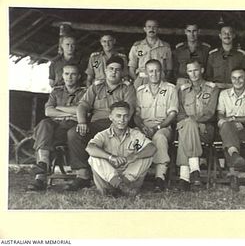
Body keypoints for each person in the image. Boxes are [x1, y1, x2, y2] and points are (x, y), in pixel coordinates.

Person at [65, 56, 136, 191]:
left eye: (117, 70)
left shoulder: (128, 88)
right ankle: (83, 176)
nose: (114, 72)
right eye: (111, 69)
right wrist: (82, 122)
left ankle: (113, 176)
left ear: (122, 72)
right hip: (96, 124)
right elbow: (82, 105)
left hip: (117, 125)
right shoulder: (96, 87)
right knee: (74, 133)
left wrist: (118, 124)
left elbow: (130, 110)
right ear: (105, 70)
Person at [27, 64, 87, 190]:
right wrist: (70, 113)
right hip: (57, 128)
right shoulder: (56, 91)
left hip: (74, 128)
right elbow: (48, 112)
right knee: (44, 124)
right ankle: (43, 166)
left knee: (54, 134)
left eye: (73, 74)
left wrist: (59, 108)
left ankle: (41, 177)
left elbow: (82, 111)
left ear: (79, 76)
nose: (69, 77)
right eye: (66, 74)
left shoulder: (85, 92)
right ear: (62, 76)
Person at [86, 101, 157, 197]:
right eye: (118, 116)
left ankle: (122, 186)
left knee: (147, 156)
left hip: (129, 179)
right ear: (111, 117)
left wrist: (134, 156)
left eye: (125, 116)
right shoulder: (103, 135)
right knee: (93, 157)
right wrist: (111, 157)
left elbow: (152, 148)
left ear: (129, 117)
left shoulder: (135, 134)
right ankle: (120, 186)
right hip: (108, 179)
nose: (122, 120)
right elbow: (90, 148)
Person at [134, 59, 178, 192]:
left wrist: (158, 127)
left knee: (159, 137)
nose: (154, 74)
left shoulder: (170, 89)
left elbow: (172, 114)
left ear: (162, 72)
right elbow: (136, 114)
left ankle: (160, 177)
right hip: (145, 126)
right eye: (151, 71)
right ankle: (136, 175)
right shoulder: (140, 91)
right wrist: (142, 127)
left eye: (157, 71)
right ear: (146, 73)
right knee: (135, 137)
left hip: (163, 127)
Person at [175, 60, 219, 191]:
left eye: (195, 70)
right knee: (188, 126)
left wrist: (197, 123)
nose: (193, 74)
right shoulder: (183, 90)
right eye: (189, 71)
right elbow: (180, 114)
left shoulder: (212, 88)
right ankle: (194, 172)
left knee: (186, 132)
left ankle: (184, 177)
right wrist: (193, 123)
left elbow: (210, 112)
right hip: (188, 127)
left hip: (206, 129)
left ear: (202, 70)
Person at [217, 67, 245, 170]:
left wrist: (234, 119)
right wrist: (229, 122)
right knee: (227, 127)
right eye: (234, 78)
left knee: (226, 128)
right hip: (226, 128)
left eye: (240, 78)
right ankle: (234, 155)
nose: (237, 81)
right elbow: (220, 113)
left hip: (244, 130)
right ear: (230, 79)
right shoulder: (224, 94)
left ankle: (232, 168)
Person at [128, 19, 173, 89]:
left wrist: (164, 80)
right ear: (144, 29)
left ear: (158, 29)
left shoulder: (165, 47)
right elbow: (132, 68)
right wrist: (137, 80)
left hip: (160, 80)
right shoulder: (137, 46)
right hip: (141, 79)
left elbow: (169, 69)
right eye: (149, 27)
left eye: (154, 27)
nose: (151, 29)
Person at [206, 24, 245, 89]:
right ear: (220, 36)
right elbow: (208, 76)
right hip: (216, 90)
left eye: (229, 33)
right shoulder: (213, 55)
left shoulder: (241, 55)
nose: (227, 35)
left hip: (235, 90)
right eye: (224, 33)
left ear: (234, 35)